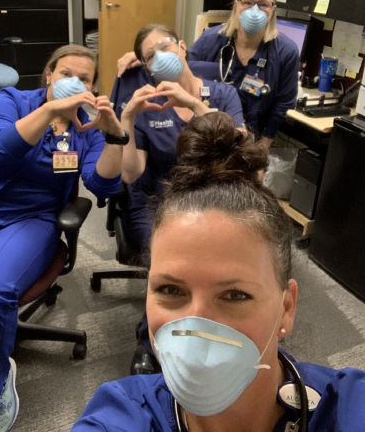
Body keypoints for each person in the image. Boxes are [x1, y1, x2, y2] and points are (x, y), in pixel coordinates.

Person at [70, 112, 365, 432]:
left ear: (286, 308)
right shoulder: (123, 415)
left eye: (235, 295)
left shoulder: (348, 408)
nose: (197, 326)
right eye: (170, 290)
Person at [0, 44, 128, 432]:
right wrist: (52, 110)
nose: (75, 82)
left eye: (85, 78)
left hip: (32, 219)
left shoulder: (86, 127)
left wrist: (115, 137)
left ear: (93, 86)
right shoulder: (12, 99)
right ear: (49, 74)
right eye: (66, 73)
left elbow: (102, 185)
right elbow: (2, 149)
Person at [117, 0, 299, 149]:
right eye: (248, 2)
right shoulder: (212, 39)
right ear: (237, 5)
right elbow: (181, 65)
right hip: (209, 134)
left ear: (272, 10)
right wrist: (146, 57)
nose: (254, 10)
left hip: (251, 138)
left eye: (263, 4)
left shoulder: (286, 52)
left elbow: (281, 108)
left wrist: (259, 153)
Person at [120, 23, 244, 252]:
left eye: (164, 47)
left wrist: (194, 104)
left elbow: (242, 150)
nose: (160, 57)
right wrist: (126, 117)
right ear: (149, 68)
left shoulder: (224, 94)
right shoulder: (146, 105)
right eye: (150, 56)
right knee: (176, 254)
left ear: (182, 47)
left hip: (215, 199)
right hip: (160, 203)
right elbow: (129, 174)